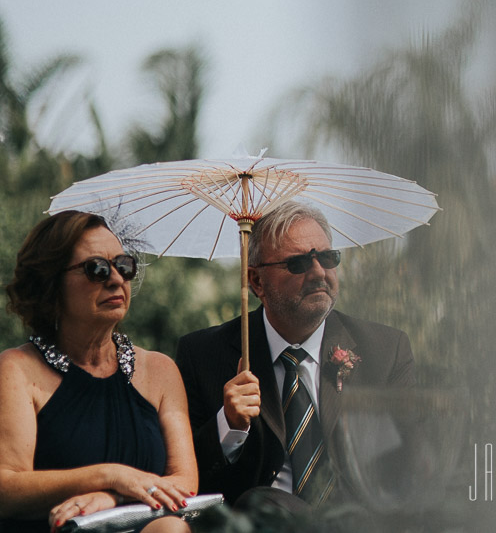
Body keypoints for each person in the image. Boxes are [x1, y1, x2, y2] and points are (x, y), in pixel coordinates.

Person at [174, 201, 415, 513]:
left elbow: (409, 469)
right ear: (256, 281)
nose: (318, 272)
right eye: (298, 263)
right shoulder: (203, 356)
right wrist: (229, 426)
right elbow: (186, 482)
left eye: (327, 258)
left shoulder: (384, 350)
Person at [0, 211, 198, 533]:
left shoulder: (160, 371)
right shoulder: (18, 371)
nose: (116, 279)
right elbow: (6, 488)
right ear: (51, 283)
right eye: (97, 269)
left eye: (124, 265)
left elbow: (184, 484)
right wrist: (109, 475)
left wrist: (113, 498)